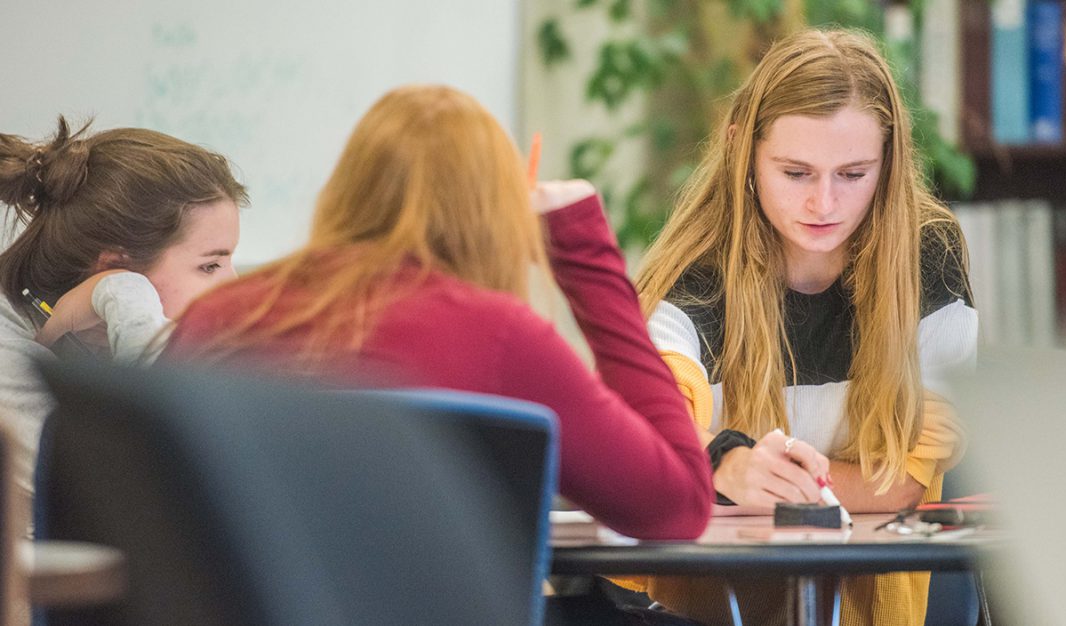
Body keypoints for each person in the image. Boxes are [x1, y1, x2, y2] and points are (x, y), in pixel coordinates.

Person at [162, 84, 720, 542]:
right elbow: (676, 507)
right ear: (496, 214)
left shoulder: (217, 316)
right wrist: (586, 253)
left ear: (347, 188)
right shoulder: (501, 336)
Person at [633, 28, 977, 625]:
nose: (825, 204)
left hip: (874, 603)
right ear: (744, 151)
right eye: (796, 173)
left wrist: (732, 480)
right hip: (698, 604)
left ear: (889, 162)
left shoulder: (929, 255)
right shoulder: (695, 269)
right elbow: (648, 426)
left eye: (853, 173)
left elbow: (905, 481)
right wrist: (727, 463)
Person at [0, 117, 246, 504]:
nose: (234, 287)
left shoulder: (92, 331)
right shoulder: (7, 363)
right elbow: (153, 502)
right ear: (112, 268)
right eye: (210, 266)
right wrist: (125, 296)